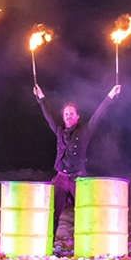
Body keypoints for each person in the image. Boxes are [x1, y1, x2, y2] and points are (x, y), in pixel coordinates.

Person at [33, 83, 121, 242]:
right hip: (61, 178)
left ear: (77, 116)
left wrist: (110, 96)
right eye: (66, 114)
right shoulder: (59, 131)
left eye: (71, 114)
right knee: (53, 213)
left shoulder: (85, 131)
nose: (68, 116)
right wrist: (41, 97)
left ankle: (89, 246)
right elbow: (49, 116)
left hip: (78, 179)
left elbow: (98, 115)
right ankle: (47, 246)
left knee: (84, 213)